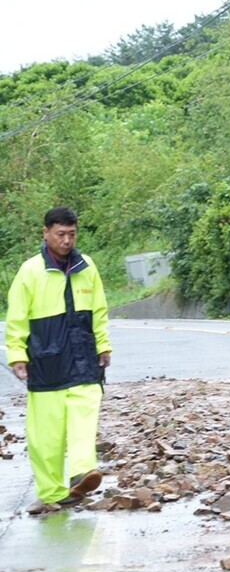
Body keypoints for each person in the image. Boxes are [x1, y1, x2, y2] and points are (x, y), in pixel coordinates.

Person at [5, 207, 112, 512]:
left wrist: (103, 345)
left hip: (83, 358)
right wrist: (17, 354)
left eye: (72, 234)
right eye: (61, 234)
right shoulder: (30, 271)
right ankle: (52, 492)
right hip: (46, 360)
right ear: (46, 233)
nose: (67, 241)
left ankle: (82, 471)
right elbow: (16, 318)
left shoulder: (86, 266)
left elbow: (99, 311)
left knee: (84, 417)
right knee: (45, 435)